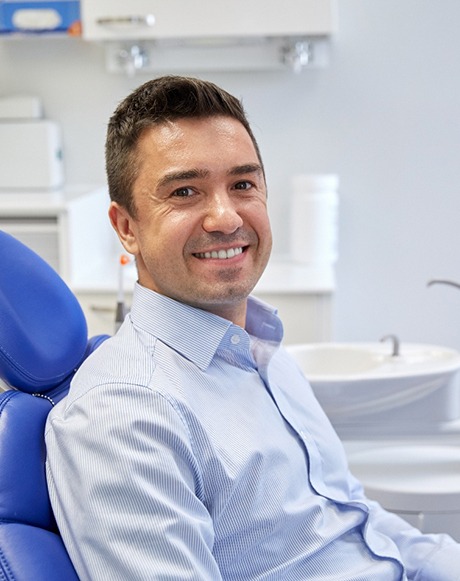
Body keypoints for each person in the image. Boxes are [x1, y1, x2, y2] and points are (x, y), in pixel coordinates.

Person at [45, 76, 460, 580]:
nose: (224, 217)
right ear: (127, 227)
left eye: (242, 184)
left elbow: (361, 523)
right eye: (185, 191)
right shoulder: (126, 414)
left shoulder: (264, 354)